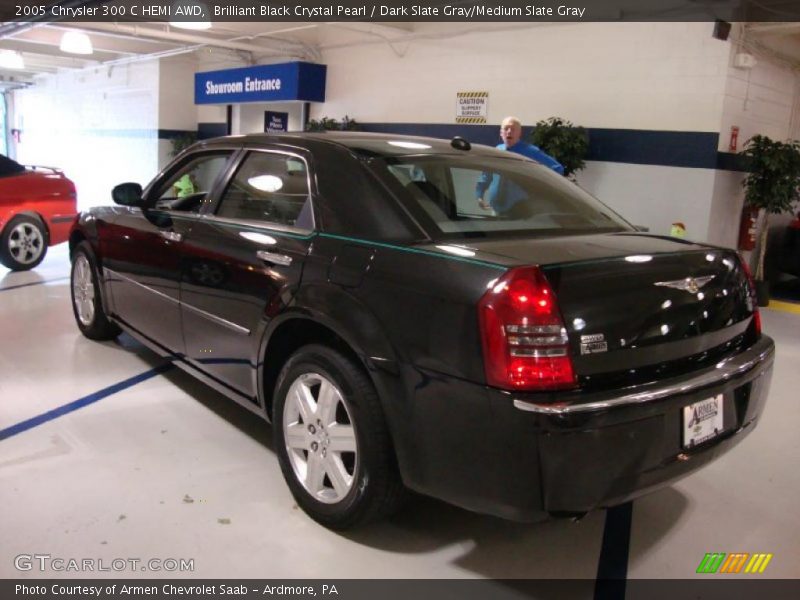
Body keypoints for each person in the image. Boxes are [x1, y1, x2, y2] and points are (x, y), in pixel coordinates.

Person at [476, 116, 564, 214]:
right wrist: (479, 195)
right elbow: (486, 175)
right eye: (506, 129)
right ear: (501, 133)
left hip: (520, 210)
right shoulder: (497, 151)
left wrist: (540, 191)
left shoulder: (531, 151)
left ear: (519, 133)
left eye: (513, 129)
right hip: (496, 209)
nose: (509, 132)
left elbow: (557, 168)